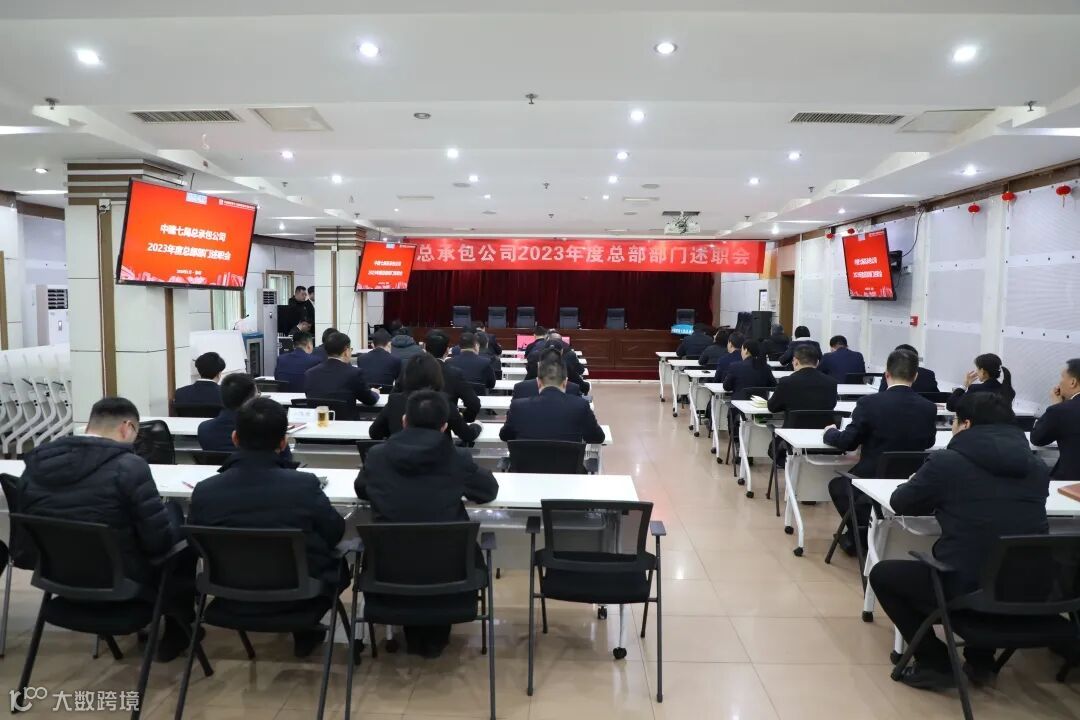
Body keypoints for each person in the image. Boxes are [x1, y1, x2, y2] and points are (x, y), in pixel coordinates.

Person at [869, 393, 1049, 690]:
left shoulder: (947, 463)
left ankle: (936, 663)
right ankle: (981, 660)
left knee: (884, 575)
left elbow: (901, 502)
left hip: (964, 588)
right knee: (992, 553)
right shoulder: (1038, 467)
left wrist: (917, 480)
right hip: (1027, 591)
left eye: (954, 421)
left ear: (965, 424)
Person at [16, 397, 194, 660]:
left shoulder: (36, 465)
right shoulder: (129, 466)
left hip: (58, 579)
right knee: (182, 537)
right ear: (127, 427)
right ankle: (178, 630)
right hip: (123, 579)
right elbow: (158, 542)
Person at [189, 398, 346, 658]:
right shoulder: (303, 485)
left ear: (235, 438)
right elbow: (334, 532)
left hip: (230, 596)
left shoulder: (205, 491)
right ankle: (305, 633)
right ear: (283, 443)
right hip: (301, 596)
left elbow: (197, 544)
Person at [356, 390, 499, 657]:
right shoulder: (456, 458)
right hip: (452, 574)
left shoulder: (376, 456)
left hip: (389, 574)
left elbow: (362, 489)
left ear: (404, 421)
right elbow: (488, 491)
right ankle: (434, 638)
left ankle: (417, 632)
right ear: (444, 427)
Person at [824, 349, 939, 555]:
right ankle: (868, 535)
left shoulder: (869, 404)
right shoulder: (928, 407)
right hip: (911, 479)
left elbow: (848, 442)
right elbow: (929, 441)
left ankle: (862, 536)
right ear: (915, 376)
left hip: (872, 476)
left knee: (838, 486)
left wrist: (830, 433)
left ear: (887, 374)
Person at [369, 353, 481, 443]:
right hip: (437, 461)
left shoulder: (395, 400)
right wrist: (477, 426)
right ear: (437, 376)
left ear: (407, 375)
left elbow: (375, 433)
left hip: (399, 460)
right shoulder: (443, 402)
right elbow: (467, 435)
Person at [500, 355, 606, 446]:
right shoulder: (581, 406)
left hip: (525, 464)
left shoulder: (518, 407)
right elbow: (598, 437)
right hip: (567, 463)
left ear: (538, 383)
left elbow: (505, 436)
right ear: (565, 382)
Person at [1030, 358, 1080, 480]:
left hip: (1071, 482)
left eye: (1062, 377)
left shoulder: (1061, 411)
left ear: (1073, 382)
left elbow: (1037, 438)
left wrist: (1056, 406)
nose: (1059, 383)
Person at [303, 331, 380, 408]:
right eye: (350, 350)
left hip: (320, 415)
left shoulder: (310, 373)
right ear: (346, 351)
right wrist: (375, 393)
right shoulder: (354, 373)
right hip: (345, 416)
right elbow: (370, 400)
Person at [423, 330, 481, 422]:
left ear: (424, 348)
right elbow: (474, 403)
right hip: (445, 424)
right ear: (447, 351)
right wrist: (462, 419)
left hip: (412, 425)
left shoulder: (411, 369)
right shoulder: (454, 374)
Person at [767, 343, 838, 415]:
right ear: (817, 362)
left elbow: (772, 407)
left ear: (796, 362)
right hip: (822, 422)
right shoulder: (831, 382)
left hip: (794, 422)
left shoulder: (786, 382)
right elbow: (832, 406)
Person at [945, 353, 1015, 411]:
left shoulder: (976, 389)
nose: (976, 371)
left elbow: (951, 405)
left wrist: (964, 385)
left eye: (977, 368)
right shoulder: (1007, 390)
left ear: (982, 371)